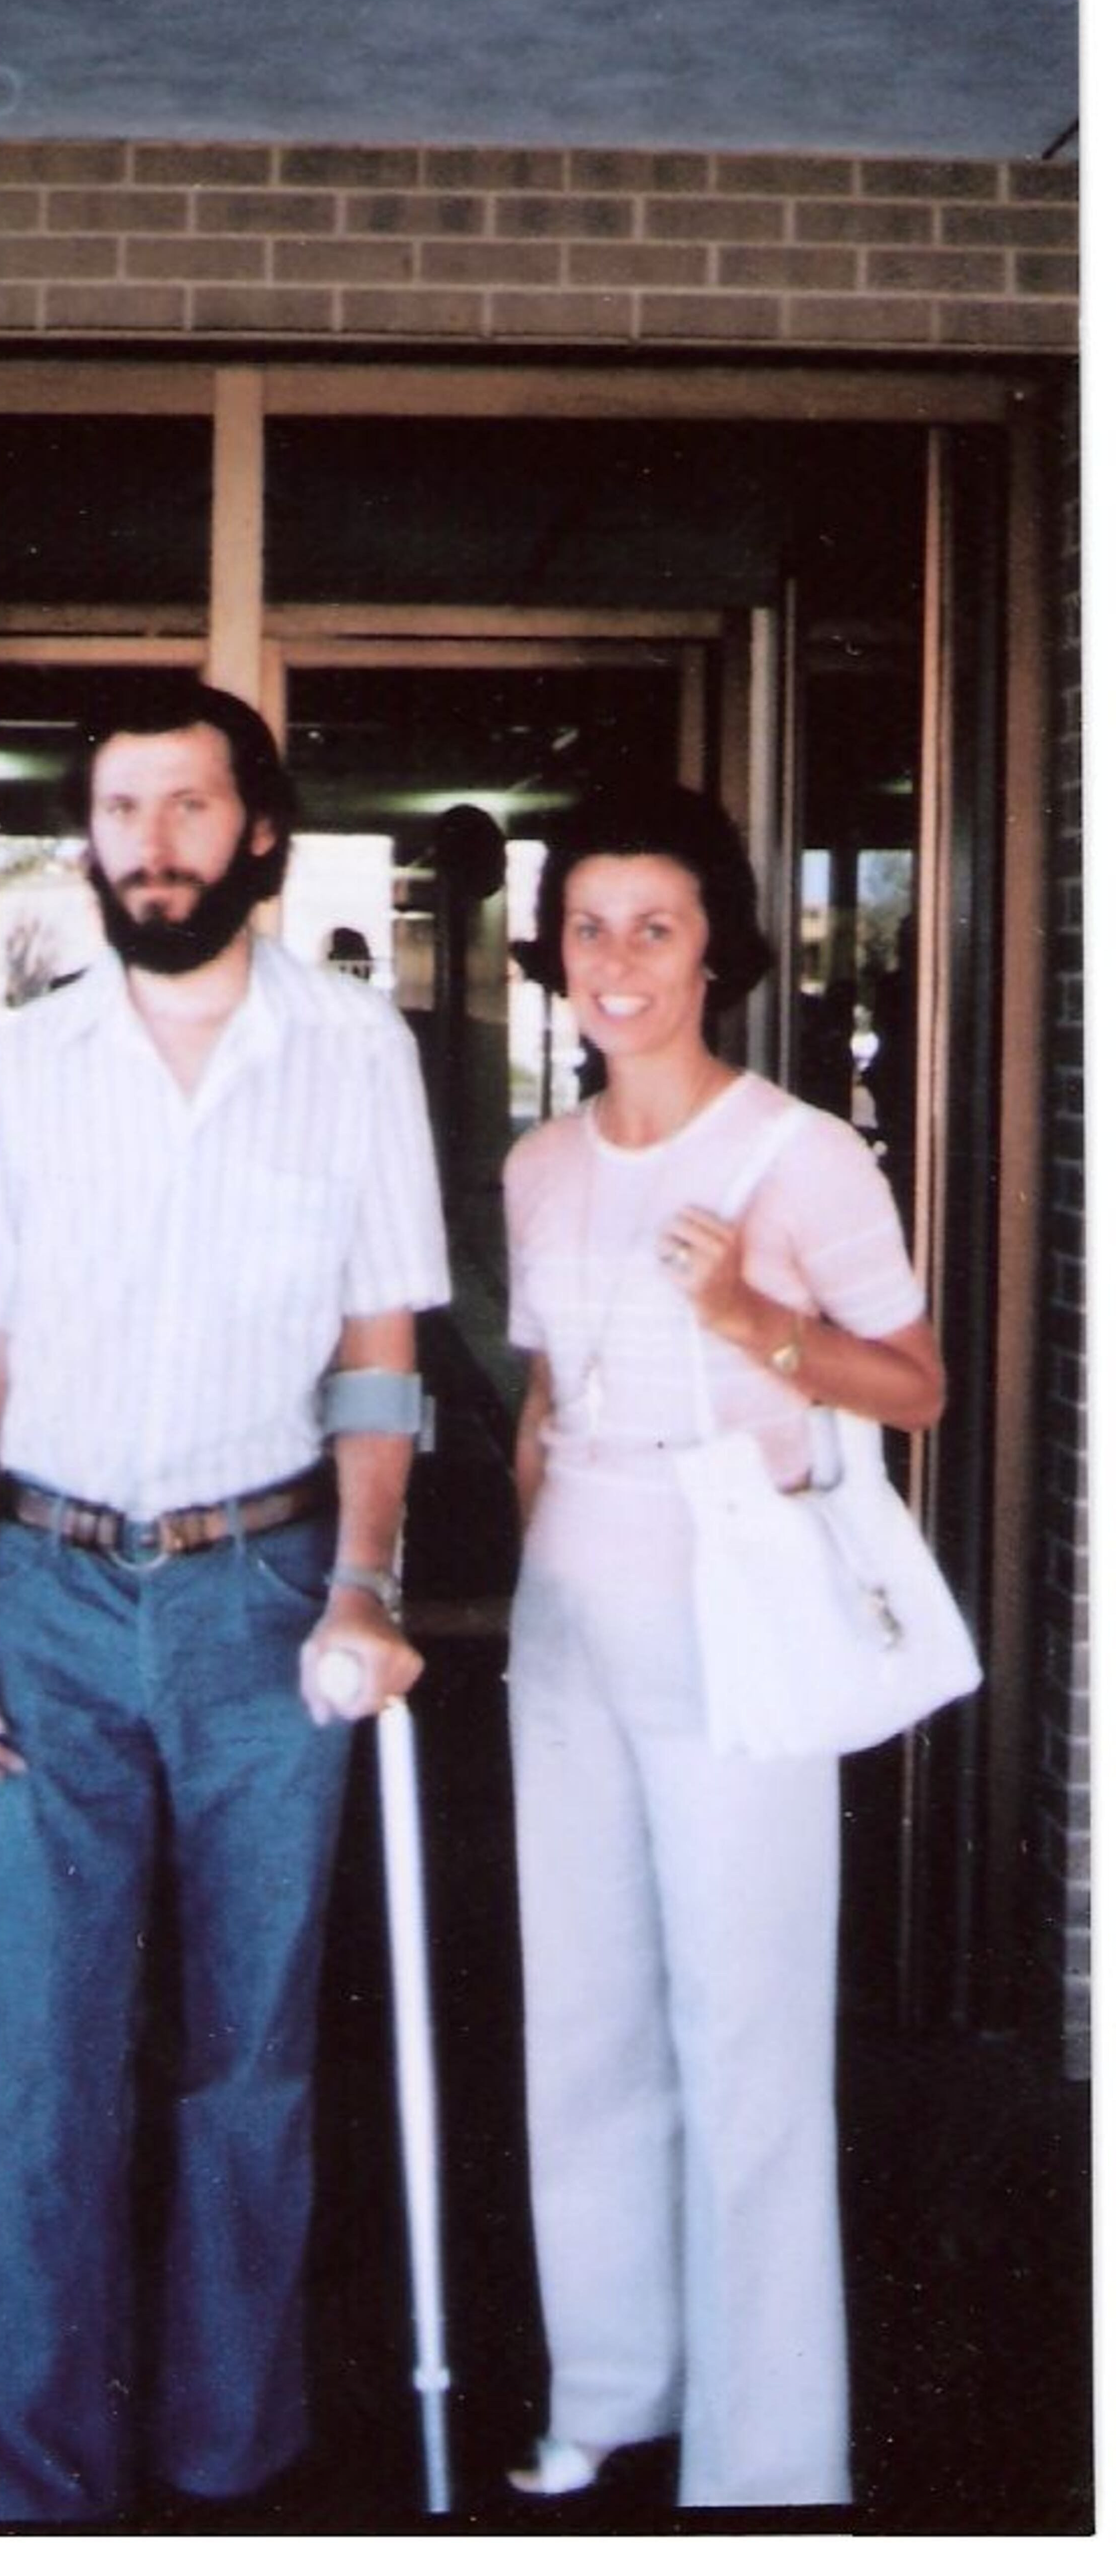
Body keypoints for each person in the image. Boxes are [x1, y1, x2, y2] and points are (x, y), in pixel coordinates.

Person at [0, 680, 450, 2525]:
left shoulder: (356, 1051)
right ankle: (39, 2484)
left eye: (188, 806)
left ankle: (225, 2467)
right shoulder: (36, 1058)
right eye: (123, 810)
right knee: (39, 2058)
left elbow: (379, 1344)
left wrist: (363, 1579)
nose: (152, 844)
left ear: (259, 830)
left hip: (265, 1592)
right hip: (47, 1596)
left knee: (249, 2054)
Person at [501, 782, 945, 2511]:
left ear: (716, 953)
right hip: (570, 1611)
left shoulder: (799, 1152)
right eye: (589, 925)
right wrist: (543, 1547)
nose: (617, 960)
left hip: (731, 1598)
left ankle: (766, 2455)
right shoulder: (541, 1162)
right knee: (584, 2013)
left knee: (746, 2023)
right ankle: (612, 2384)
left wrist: (756, 1317)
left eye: (655, 926)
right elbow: (546, 1395)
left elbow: (916, 1384)